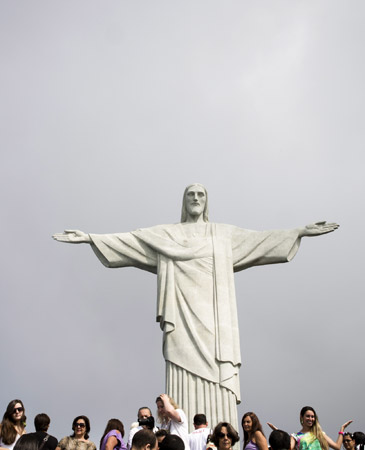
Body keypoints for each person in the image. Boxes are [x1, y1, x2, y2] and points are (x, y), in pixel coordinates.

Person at [53, 183, 340, 431]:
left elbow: (260, 240)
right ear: (184, 201)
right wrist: (92, 237)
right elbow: (132, 241)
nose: (195, 198)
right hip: (180, 315)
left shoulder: (222, 234)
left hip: (216, 319)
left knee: (218, 369)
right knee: (180, 365)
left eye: (200, 194)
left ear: (206, 202)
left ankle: (219, 431)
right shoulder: (167, 235)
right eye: (190, 194)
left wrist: (298, 232)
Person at [268, 406, 352, 450]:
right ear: (302, 417)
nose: (311, 419)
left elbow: (337, 447)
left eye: (313, 417)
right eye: (308, 416)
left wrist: (342, 429)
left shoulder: (319, 434)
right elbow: (287, 447)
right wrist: (278, 433)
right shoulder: (295, 436)